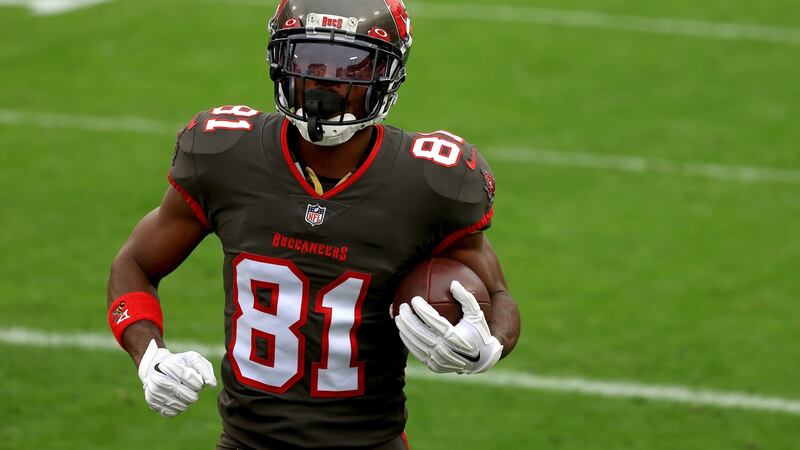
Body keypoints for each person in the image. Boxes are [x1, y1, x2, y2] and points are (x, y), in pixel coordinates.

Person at [106, 0, 521, 448]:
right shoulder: (225, 155)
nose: (327, 80)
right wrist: (148, 354)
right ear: (280, 62)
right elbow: (134, 263)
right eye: (308, 59)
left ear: (388, 74)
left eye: (352, 65)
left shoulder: (430, 182)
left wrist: (490, 342)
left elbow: (497, 295)